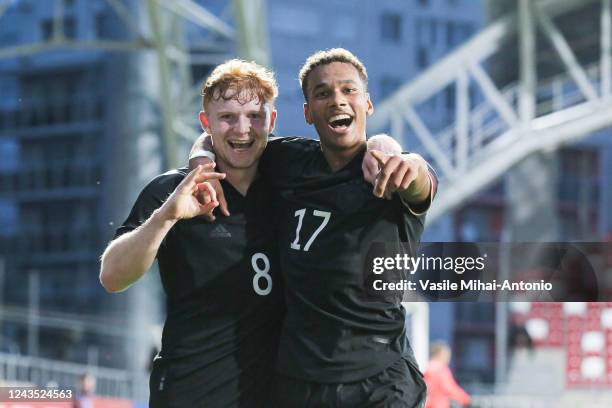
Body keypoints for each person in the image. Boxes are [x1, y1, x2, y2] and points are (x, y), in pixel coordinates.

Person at [190, 48, 436, 407]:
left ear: (367, 104)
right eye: (323, 93)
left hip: (380, 382)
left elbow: (421, 183)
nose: (337, 100)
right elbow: (218, 138)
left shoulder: (389, 170)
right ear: (307, 112)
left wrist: (408, 163)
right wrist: (201, 160)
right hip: (298, 382)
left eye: (348, 90)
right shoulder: (286, 160)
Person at [99, 60, 284, 407]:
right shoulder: (171, 191)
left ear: (271, 121)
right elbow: (111, 276)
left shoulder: (292, 185)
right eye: (227, 116)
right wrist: (167, 215)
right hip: (191, 394)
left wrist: (387, 147)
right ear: (206, 123)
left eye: (255, 116)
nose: (242, 128)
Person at [423, 342, 471, 408]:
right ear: (440, 354)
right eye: (446, 355)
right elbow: (450, 388)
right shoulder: (441, 369)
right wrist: (466, 399)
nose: (448, 358)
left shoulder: (427, 368)